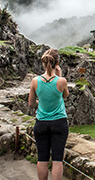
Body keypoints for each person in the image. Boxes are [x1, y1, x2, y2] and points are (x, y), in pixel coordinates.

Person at [28, 48, 69, 180]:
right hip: (59, 122)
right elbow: (65, 96)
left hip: (41, 123)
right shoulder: (61, 81)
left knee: (42, 158)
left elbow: (31, 103)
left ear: (44, 63)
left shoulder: (35, 81)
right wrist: (60, 75)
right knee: (57, 159)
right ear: (57, 63)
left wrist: (41, 103)